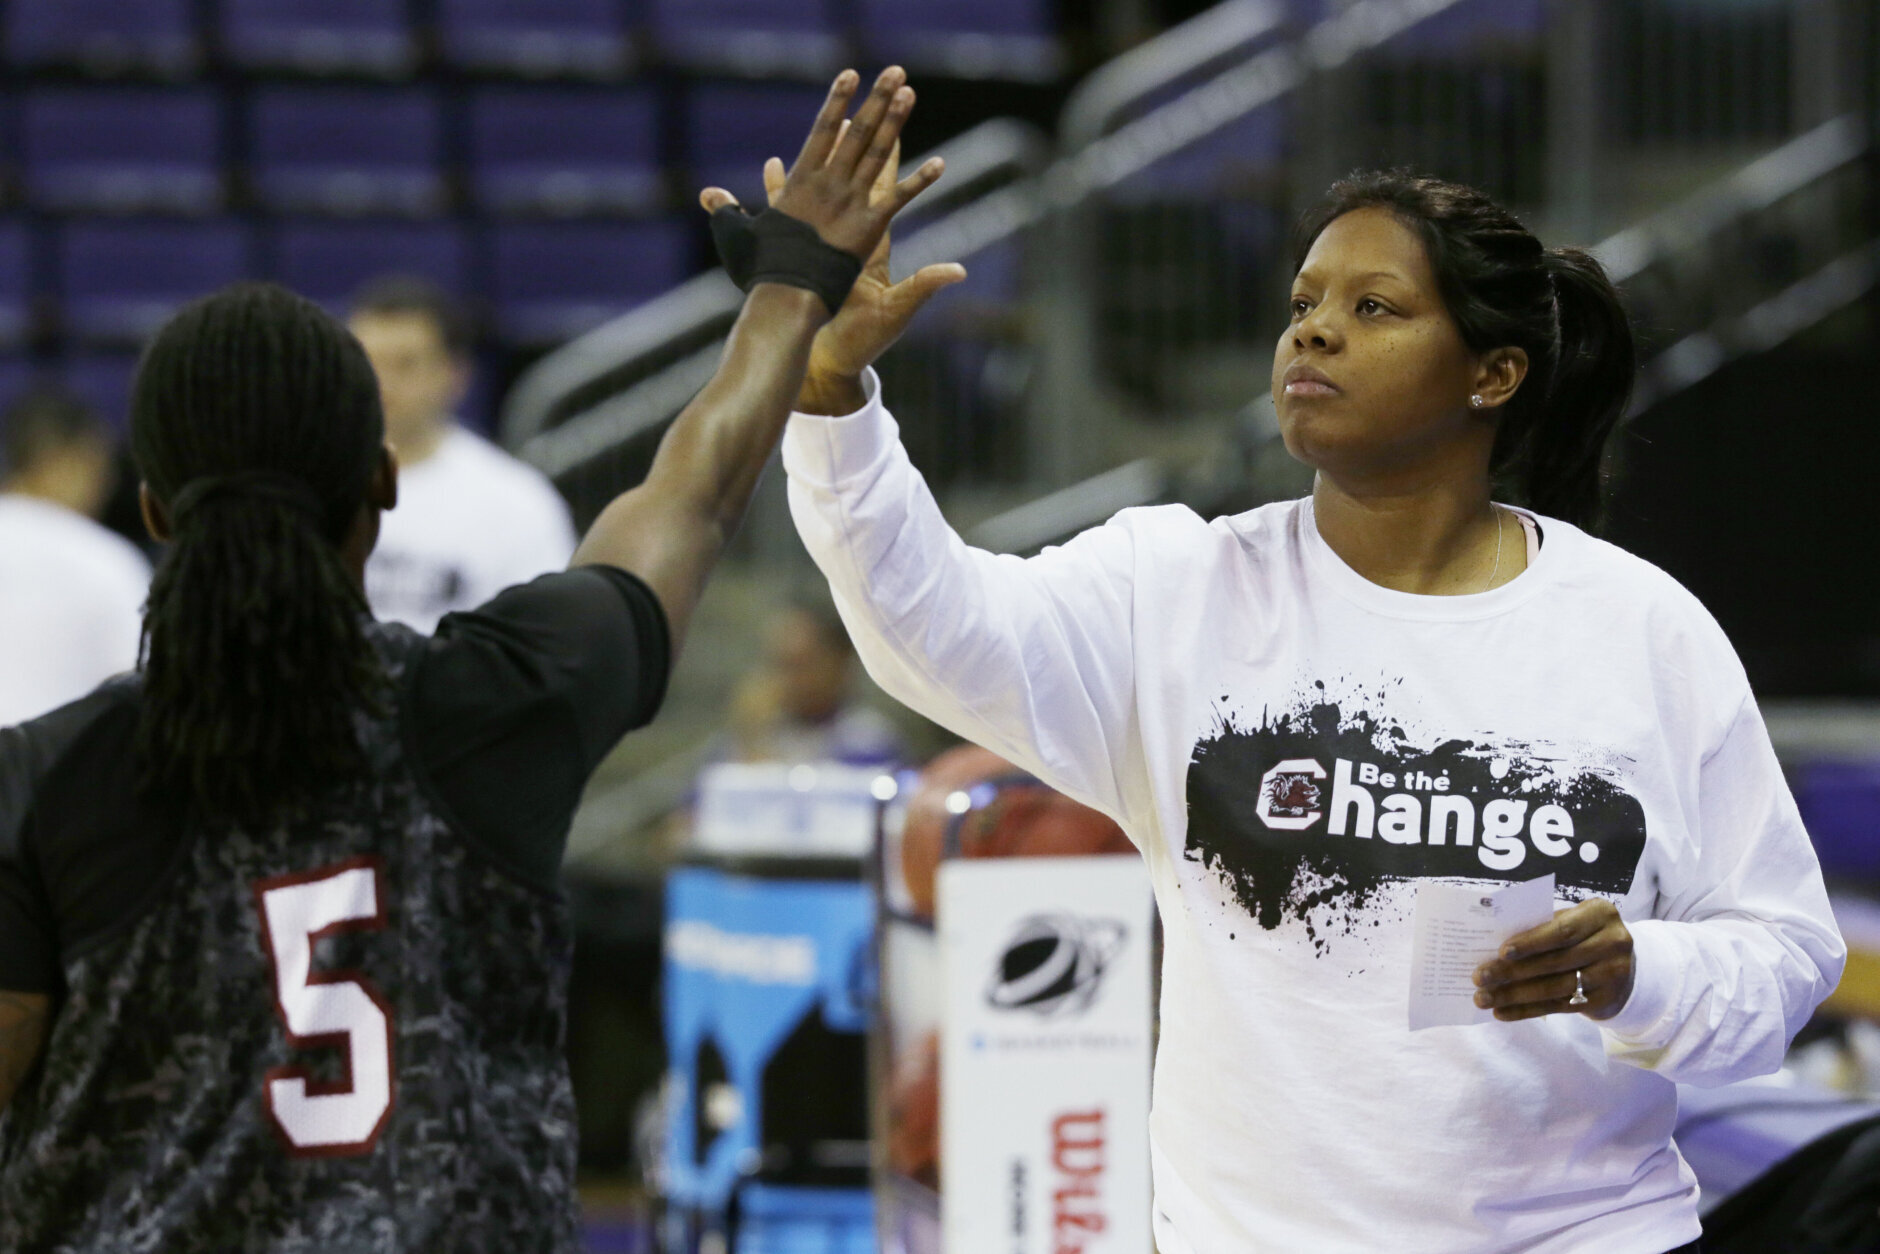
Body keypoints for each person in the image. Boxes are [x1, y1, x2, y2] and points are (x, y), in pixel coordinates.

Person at [781, 170, 1844, 1253]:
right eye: (1303, 303)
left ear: (1493, 374)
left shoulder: (1640, 630)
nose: (1314, 332)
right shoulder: (1175, 591)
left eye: (1372, 307)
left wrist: (1636, 975)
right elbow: (928, 624)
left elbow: (1787, 958)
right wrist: (829, 387)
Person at [0, 66, 944, 1251]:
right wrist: (789, 287)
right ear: (379, 488)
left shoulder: (39, 777)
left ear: (152, 512)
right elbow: (689, 498)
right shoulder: (495, 700)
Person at [348, 276, 579, 633]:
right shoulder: (301, 482)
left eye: (405, 363)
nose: (382, 382)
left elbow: (543, 637)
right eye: (367, 361)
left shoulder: (517, 501)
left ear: (455, 374)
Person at [0, 387, 150, 727]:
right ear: (74, 459)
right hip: (55, 757)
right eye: (102, 467)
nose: (107, 484)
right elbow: (144, 694)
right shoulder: (106, 560)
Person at [720, 595, 904, 767]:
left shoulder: (867, 741)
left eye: (801, 664)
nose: (790, 679)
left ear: (838, 662)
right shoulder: (747, 737)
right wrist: (751, 738)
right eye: (781, 664)